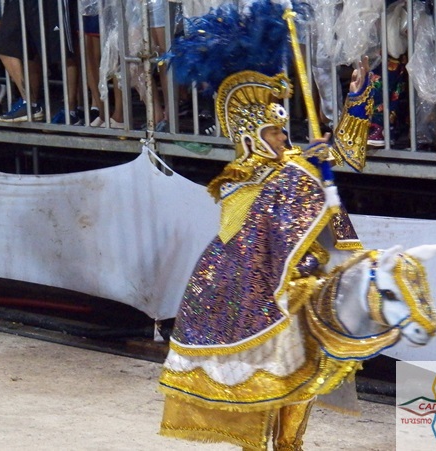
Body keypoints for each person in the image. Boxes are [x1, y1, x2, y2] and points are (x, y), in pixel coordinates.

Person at [157, 2, 375, 448]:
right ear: (250, 136)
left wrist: (358, 99)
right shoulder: (235, 180)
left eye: (282, 131)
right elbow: (267, 214)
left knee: (305, 378)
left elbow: (346, 155)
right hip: (251, 300)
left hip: (298, 290)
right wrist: (307, 167)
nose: (283, 138)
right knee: (260, 387)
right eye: (274, 133)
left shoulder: (291, 163)